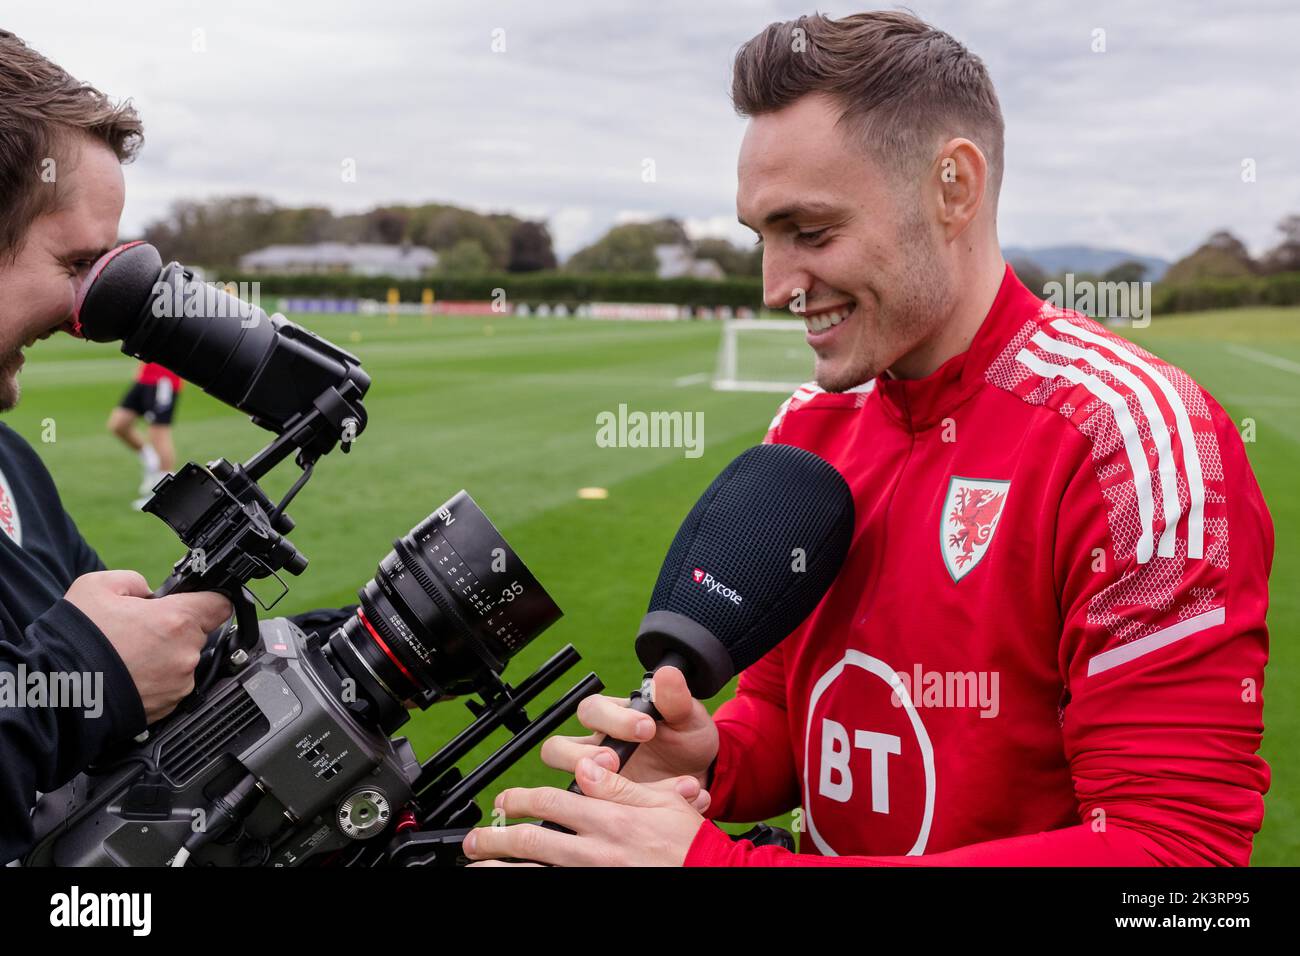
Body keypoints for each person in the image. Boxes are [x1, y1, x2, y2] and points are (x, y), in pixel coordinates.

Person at [463, 11, 1272, 866]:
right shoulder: (806, 433)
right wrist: (716, 757)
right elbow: (788, 709)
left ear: (953, 189)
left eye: (811, 232)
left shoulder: (1128, 441)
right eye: (762, 238)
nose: (776, 287)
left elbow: (1176, 861)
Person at [0, 30, 232, 862]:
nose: (84, 316)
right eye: (76, 264)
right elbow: (84, 670)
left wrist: (357, 650)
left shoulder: (11, 464)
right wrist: (81, 679)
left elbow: (141, 652)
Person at [107, 361, 184, 509]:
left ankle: (165, 494)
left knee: (159, 435)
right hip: (146, 376)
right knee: (119, 424)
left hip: (164, 378)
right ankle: (151, 461)